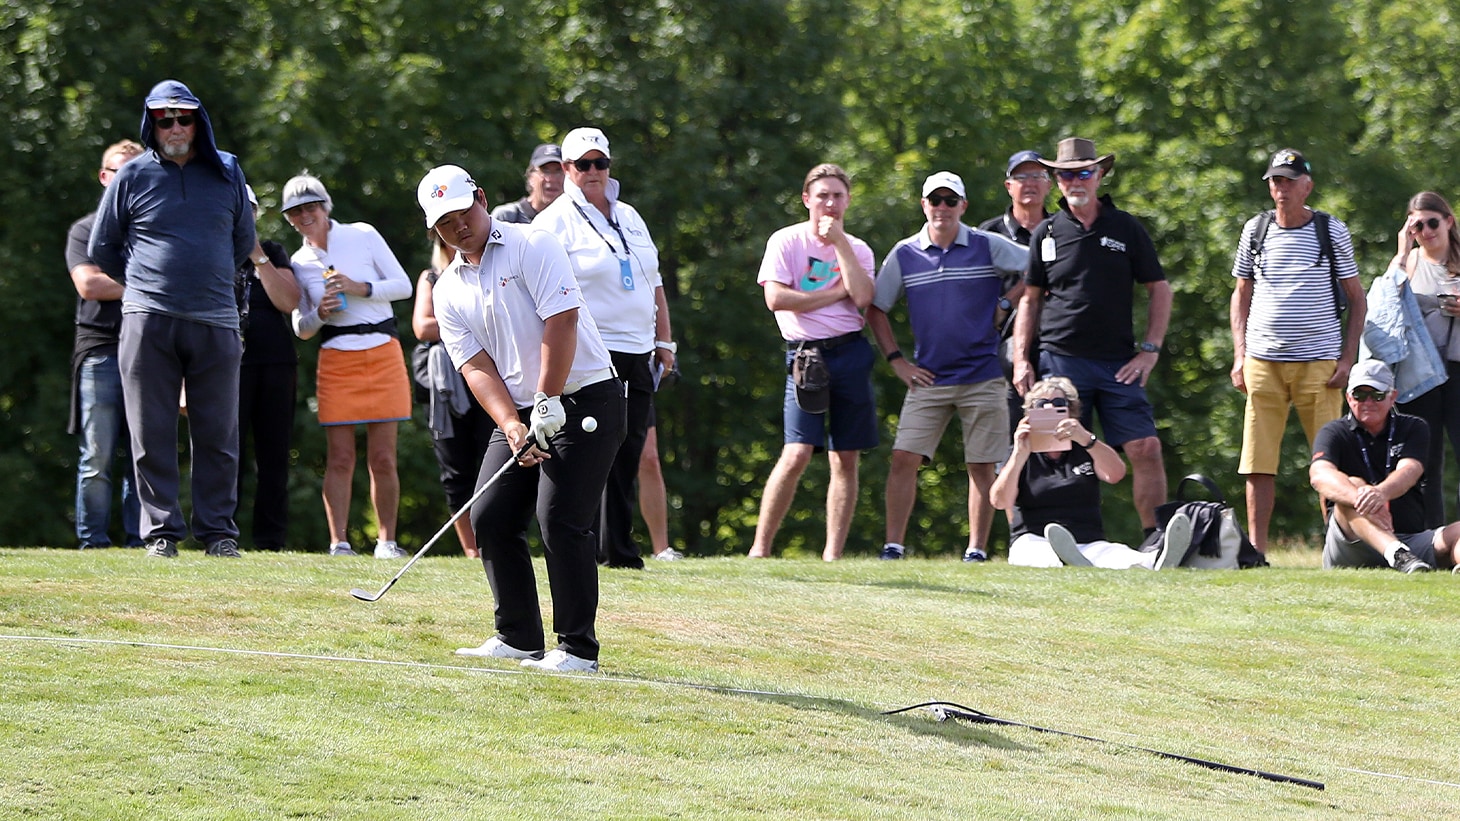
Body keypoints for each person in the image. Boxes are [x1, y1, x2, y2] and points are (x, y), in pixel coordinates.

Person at [419, 164, 625, 673]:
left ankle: (577, 649)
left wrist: (548, 398)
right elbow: (475, 365)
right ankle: (518, 636)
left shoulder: (533, 244)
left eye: (462, 212)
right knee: (489, 515)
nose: (458, 226)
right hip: (521, 409)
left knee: (560, 519)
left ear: (481, 199)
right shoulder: (446, 289)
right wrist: (511, 424)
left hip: (586, 397)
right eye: (444, 222)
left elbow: (562, 320)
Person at [87, 79, 255, 559]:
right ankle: (161, 533)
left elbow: (243, 240)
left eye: (184, 118)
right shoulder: (132, 175)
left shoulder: (227, 170)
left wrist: (208, 279)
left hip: (216, 318)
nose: (175, 127)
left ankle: (219, 534)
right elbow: (103, 246)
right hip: (148, 318)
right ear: (152, 123)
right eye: (165, 119)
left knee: (218, 433)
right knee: (150, 432)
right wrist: (145, 284)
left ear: (198, 122)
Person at [1011, 137, 1171, 536]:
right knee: (1050, 449)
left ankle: (1156, 540)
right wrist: (1021, 359)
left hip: (1119, 363)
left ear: (1099, 175)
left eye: (1083, 173)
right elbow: (1030, 300)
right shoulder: (1046, 232)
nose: (1075, 182)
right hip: (1058, 360)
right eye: (1066, 175)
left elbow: (1160, 289)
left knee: (1146, 447)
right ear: (1057, 181)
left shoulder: (1126, 227)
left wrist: (1150, 350)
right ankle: (1041, 538)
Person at [533, 127, 676, 569]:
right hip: (591, 352)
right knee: (594, 450)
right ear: (567, 168)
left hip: (639, 349)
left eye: (601, 163)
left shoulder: (629, 215)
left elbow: (653, 280)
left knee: (630, 449)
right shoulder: (553, 222)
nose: (593, 171)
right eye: (583, 164)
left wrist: (664, 340)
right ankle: (594, 546)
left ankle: (618, 547)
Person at [867, 171, 1026, 562]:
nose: (942, 207)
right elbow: (876, 307)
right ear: (924, 205)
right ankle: (893, 547)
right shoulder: (905, 253)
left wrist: (1007, 302)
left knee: (981, 465)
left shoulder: (986, 244)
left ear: (963, 206)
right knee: (904, 457)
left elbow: (1040, 265)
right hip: (929, 377)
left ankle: (976, 551)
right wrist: (896, 361)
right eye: (935, 200)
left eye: (950, 200)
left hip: (983, 375)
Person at [1230, 148, 1366, 553]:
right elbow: (1241, 294)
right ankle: (1256, 552)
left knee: (1330, 461)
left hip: (1319, 363)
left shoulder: (1330, 230)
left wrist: (1347, 359)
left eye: (1289, 181)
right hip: (1262, 361)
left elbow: (1357, 298)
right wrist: (1239, 354)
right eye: (1275, 180)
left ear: (1307, 186)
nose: (1281, 188)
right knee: (1257, 462)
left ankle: (1338, 550)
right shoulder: (1255, 229)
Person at [747, 163, 877, 561]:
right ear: (807, 199)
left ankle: (832, 554)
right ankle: (760, 549)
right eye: (822, 196)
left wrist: (839, 244)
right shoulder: (786, 240)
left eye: (838, 196)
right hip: (806, 356)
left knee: (846, 457)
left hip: (850, 351)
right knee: (797, 452)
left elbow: (862, 297)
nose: (830, 203)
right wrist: (833, 294)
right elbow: (776, 299)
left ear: (848, 201)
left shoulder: (858, 249)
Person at [284, 173, 413, 559]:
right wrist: (320, 314)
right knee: (340, 457)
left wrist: (360, 288)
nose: (305, 215)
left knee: (383, 457)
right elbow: (301, 327)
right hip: (336, 355)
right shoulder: (298, 262)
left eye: (311, 207)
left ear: (325, 207)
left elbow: (403, 285)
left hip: (382, 348)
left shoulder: (362, 234)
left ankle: (386, 542)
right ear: (289, 218)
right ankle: (338, 543)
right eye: (296, 211)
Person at [991, 377, 1189, 569]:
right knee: (1045, 558)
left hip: (1089, 542)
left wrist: (1086, 438)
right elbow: (1000, 501)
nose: (1049, 408)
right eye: (1041, 404)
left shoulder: (1086, 448)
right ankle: (1069, 562)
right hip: (1034, 540)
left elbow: (1116, 474)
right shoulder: (1019, 453)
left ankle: (1157, 559)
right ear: (1030, 412)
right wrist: (1019, 454)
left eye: (1059, 403)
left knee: (1123, 556)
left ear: (1071, 411)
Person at [66, 138, 145, 550]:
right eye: (121, 172)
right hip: (100, 351)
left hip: (148, 351)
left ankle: (139, 541)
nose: (129, 180)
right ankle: (93, 542)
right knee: (96, 456)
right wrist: (148, 282)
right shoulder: (85, 229)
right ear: (104, 177)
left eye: (137, 172)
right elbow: (89, 285)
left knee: (143, 456)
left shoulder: (152, 231)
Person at [1310, 360, 1456, 573]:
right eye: (1360, 395)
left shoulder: (1414, 427)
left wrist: (1380, 493)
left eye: (1377, 395)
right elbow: (1319, 475)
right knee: (1353, 485)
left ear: (1392, 396)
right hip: (1352, 543)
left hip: (1409, 541)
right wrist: (1362, 498)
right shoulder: (1333, 432)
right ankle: (1396, 553)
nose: (1368, 402)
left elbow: (1410, 470)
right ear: (1348, 398)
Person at [412, 232, 494, 558]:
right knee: (455, 470)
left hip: (490, 375)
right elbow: (422, 327)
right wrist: (469, 322)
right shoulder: (431, 277)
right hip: (447, 381)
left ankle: (494, 539)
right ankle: (472, 550)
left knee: (493, 461)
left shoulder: (487, 272)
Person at [234, 185, 300, 551]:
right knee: (226, 453)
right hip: (227, 365)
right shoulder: (212, 250)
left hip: (275, 363)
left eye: (250, 210)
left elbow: (289, 301)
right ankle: (220, 533)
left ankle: (270, 541)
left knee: (274, 455)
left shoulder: (271, 252)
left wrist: (258, 256)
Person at [1388, 192, 1460, 526]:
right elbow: (1386, 302)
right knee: (1424, 462)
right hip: (1420, 374)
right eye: (1417, 226)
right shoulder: (1411, 261)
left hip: (1458, 370)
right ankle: (1432, 540)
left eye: (1432, 222)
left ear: (1448, 221)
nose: (1426, 231)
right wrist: (1403, 249)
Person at [978, 150, 1051, 429]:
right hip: (1002, 354)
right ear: (1008, 186)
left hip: (1055, 347)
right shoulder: (987, 235)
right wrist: (1026, 286)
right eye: (1021, 177)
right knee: (1011, 436)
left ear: (1049, 184)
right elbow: (978, 308)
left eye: (1037, 176)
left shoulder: (1063, 229)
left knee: (1051, 434)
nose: (1030, 183)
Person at [490, 143, 564, 224]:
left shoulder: (570, 220)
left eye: (559, 172)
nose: (552, 179)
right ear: (530, 177)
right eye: (545, 171)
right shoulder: (506, 217)